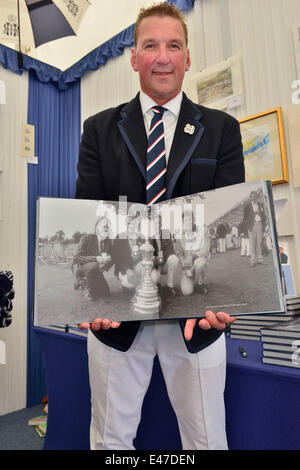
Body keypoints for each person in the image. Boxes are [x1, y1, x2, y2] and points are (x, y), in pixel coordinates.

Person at [76, 3, 245, 450]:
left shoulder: (222, 130)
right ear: (133, 57)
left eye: (174, 45)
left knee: (207, 440)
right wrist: (88, 295)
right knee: (110, 440)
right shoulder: (97, 130)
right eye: (150, 45)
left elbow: (224, 209)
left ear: (188, 58)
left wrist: (228, 298)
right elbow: (87, 217)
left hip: (196, 318)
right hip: (118, 316)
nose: (163, 56)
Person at [242, 190, 266, 267]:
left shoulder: (260, 204)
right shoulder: (247, 206)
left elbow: (263, 216)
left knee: (259, 243)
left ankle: (260, 259)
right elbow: (244, 219)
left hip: (260, 225)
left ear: (257, 197)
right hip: (251, 226)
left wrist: (264, 227)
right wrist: (247, 228)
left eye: (255, 196)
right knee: (252, 244)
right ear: (250, 197)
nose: (253, 198)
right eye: (252, 196)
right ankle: (253, 261)